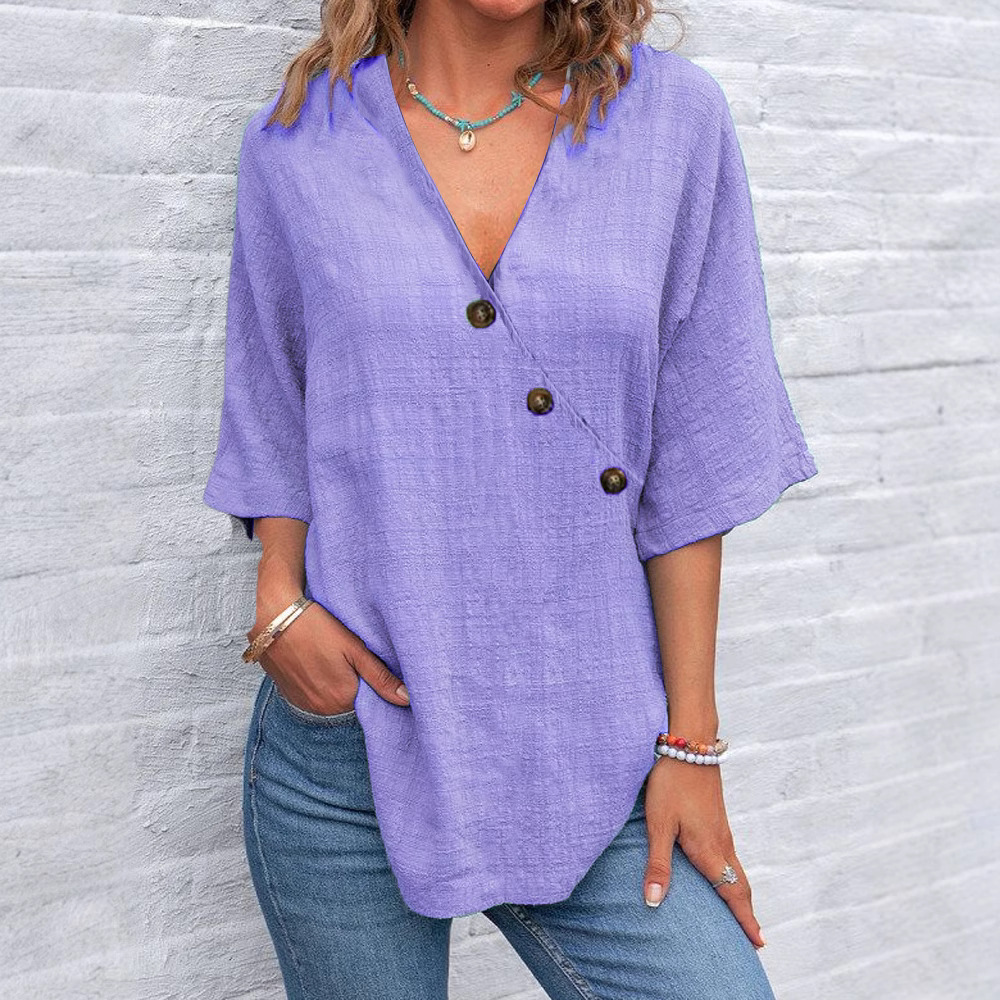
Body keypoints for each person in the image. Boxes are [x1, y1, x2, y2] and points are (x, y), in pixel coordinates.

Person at [202, 0, 819, 996]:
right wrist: (280, 598)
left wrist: (691, 745)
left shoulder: (672, 123)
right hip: (351, 744)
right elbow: (273, 398)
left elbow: (693, 465)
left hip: (595, 746)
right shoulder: (300, 138)